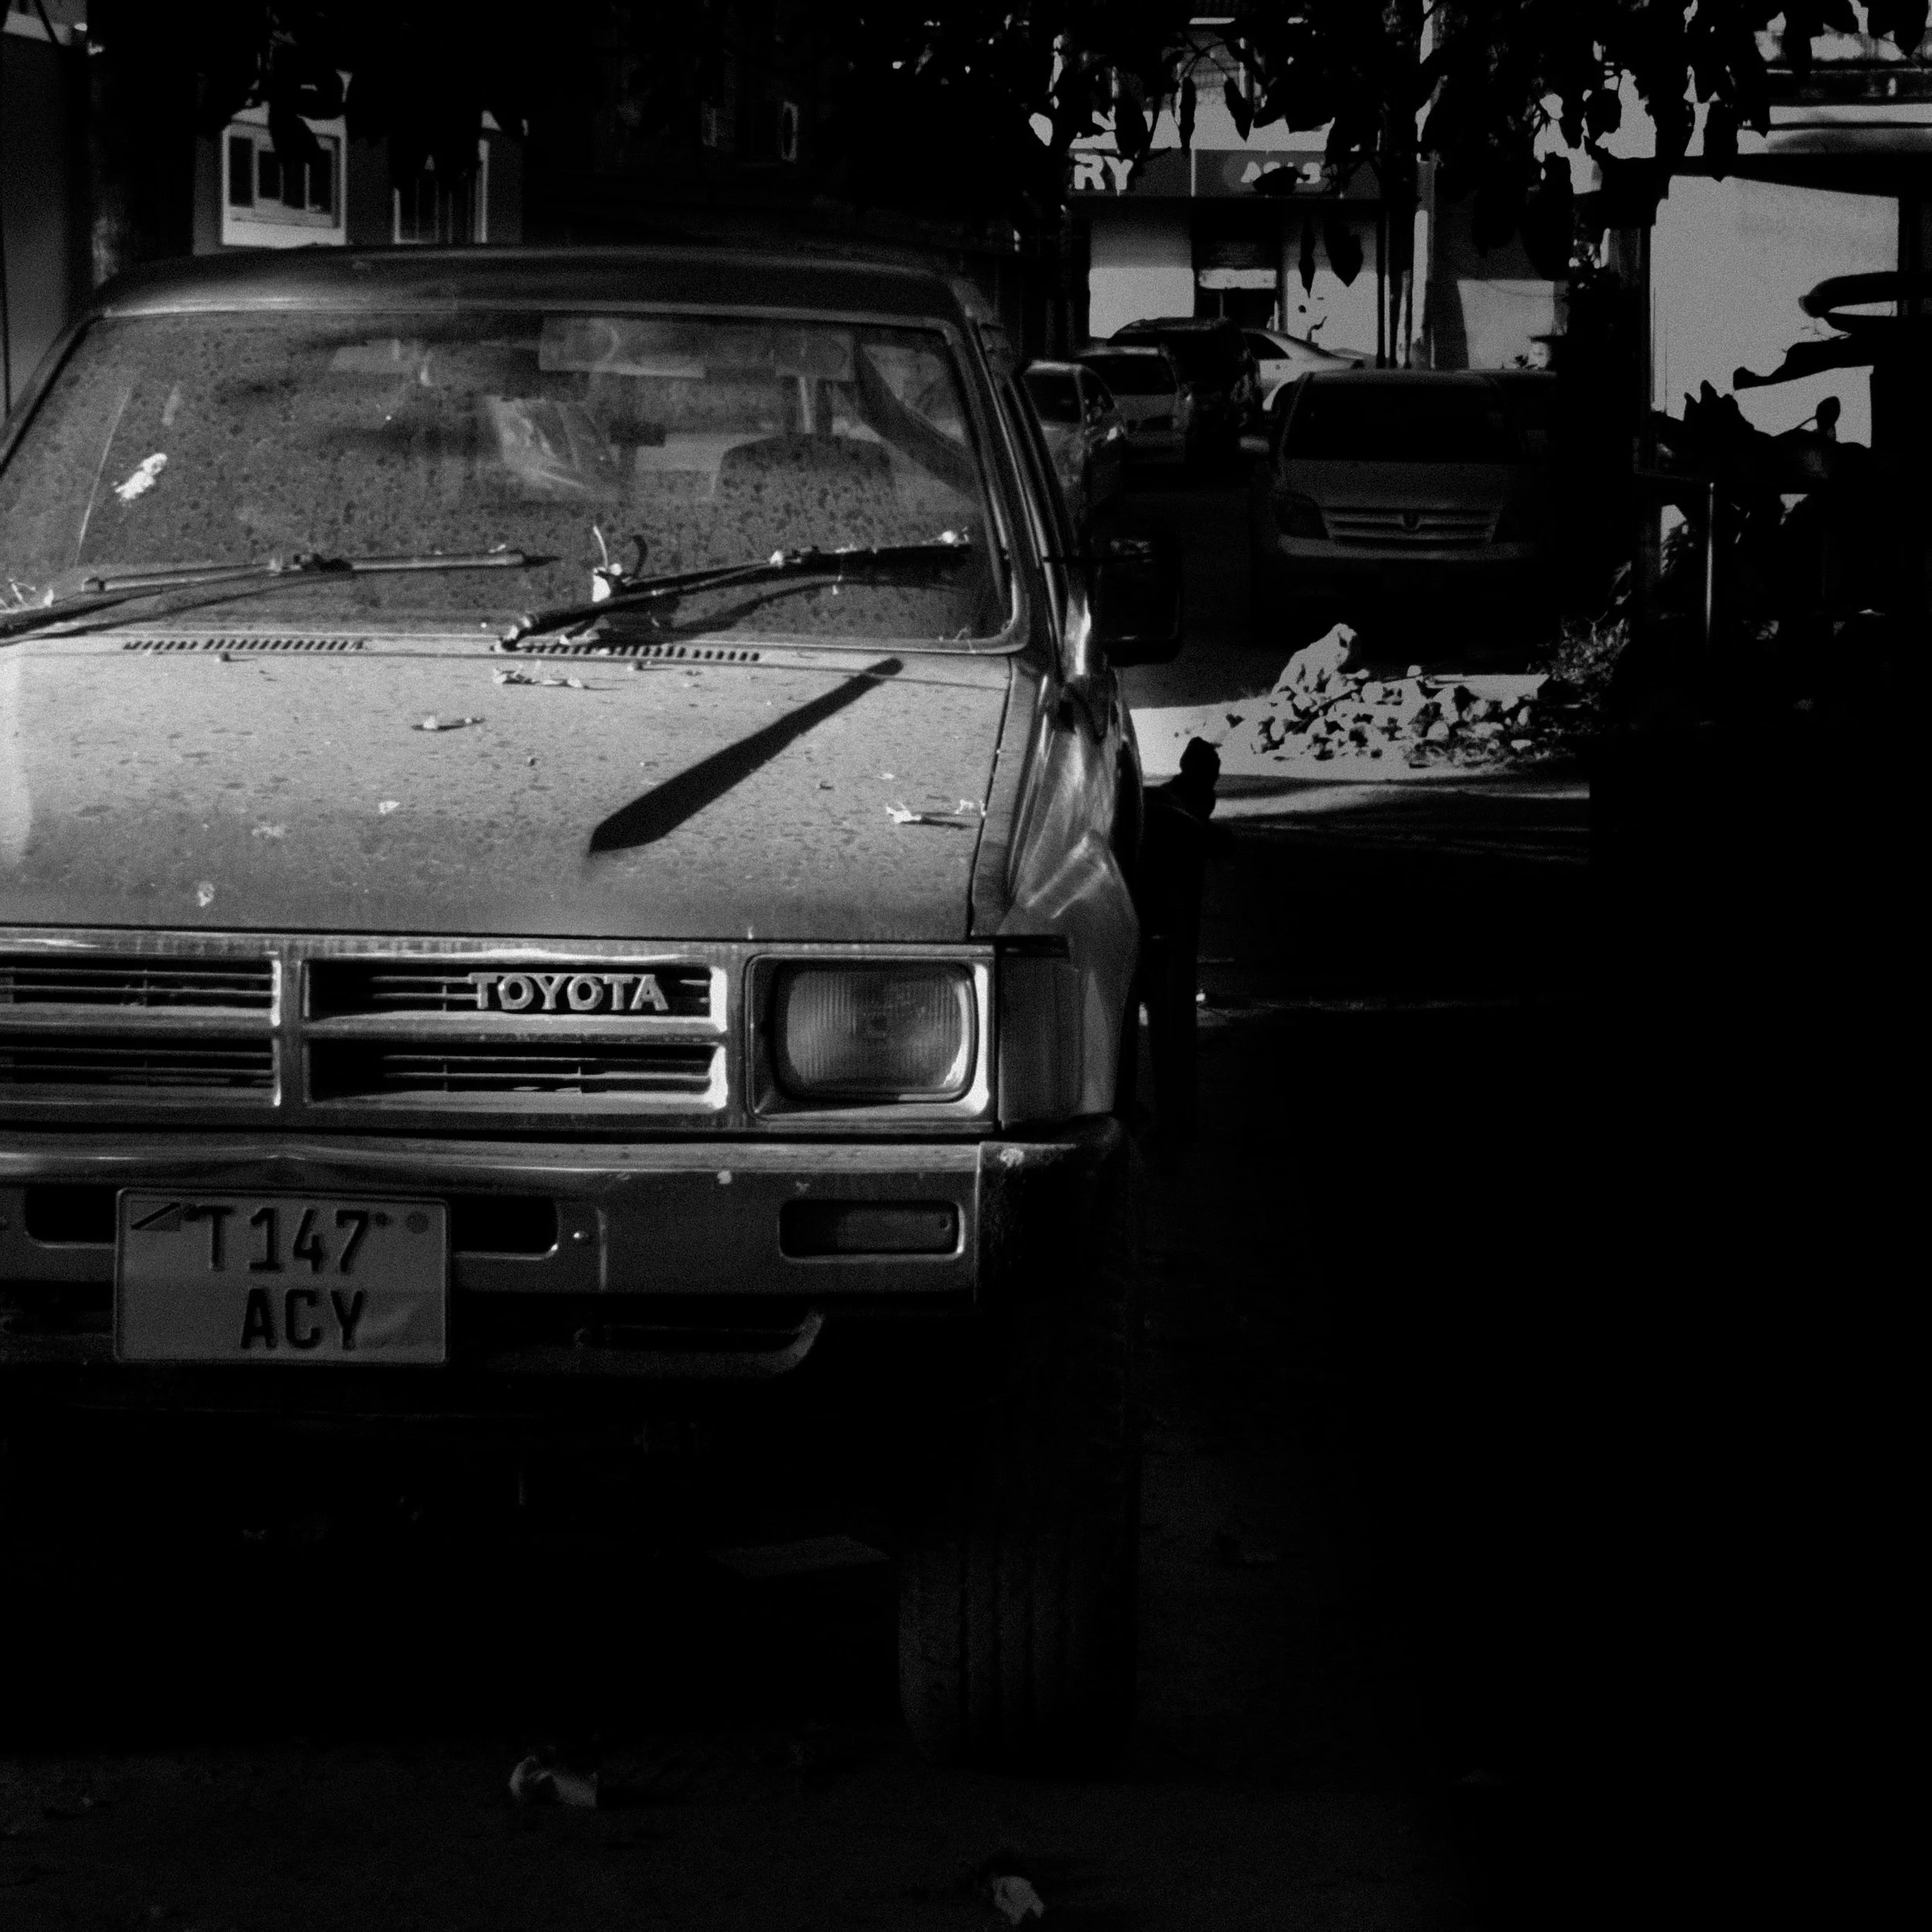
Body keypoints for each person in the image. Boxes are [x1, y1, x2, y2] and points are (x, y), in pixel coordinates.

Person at [1134, 737, 1229, 1141]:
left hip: (1151, 906)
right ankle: (1176, 1120)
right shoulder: (1186, 807)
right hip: (1166, 912)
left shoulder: (1180, 801)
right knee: (1170, 1012)